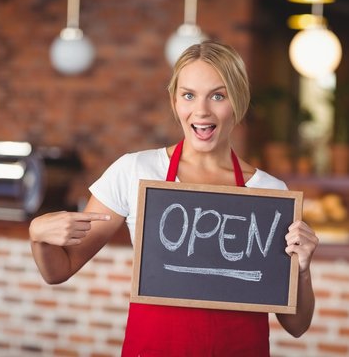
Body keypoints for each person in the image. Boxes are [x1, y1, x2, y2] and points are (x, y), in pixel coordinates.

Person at [29, 40, 319, 356]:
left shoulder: (271, 193)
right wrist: (38, 235)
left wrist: (302, 269)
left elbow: (297, 325)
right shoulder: (135, 170)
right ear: (174, 101)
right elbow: (59, 271)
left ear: (239, 102)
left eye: (218, 96)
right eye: (189, 95)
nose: (202, 111)